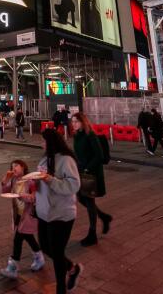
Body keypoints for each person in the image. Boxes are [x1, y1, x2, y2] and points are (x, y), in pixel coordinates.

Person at [34, 128, 82, 293]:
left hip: (61, 214)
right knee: (46, 248)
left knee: (56, 251)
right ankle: (72, 268)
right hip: (43, 213)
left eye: (43, 141)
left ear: (51, 143)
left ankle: (61, 288)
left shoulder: (66, 160)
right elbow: (40, 185)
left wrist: (50, 180)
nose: (41, 144)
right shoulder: (44, 160)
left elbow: (74, 185)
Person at [70, 112, 112, 247]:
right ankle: (104, 217)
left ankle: (92, 234)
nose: (74, 124)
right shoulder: (77, 136)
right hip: (81, 171)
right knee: (82, 198)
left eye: (76, 121)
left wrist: (87, 168)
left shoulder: (90, 135)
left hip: (90, 173)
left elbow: (98, 155)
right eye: (72, 122)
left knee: (88, 200)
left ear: (83, 122)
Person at [0, 159, 45, 279]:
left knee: (17, 239)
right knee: (28, 237)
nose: (14, 168)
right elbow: (4, 191)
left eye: (16, 166)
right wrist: (6, 178)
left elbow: (34, 199)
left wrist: (23, 196)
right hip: (18, 214)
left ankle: (13, 267)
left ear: (23, 167)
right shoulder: (14, 180)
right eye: (12, 166)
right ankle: (39, 258)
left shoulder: (30, 181)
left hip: (28, 215)